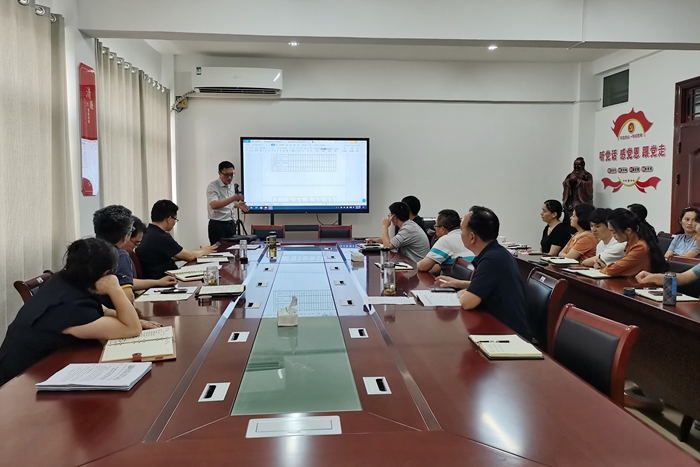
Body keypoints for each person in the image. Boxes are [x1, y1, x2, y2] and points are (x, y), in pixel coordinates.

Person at [0, 238, 144, 387]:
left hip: (36, 370)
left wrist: (132, 320)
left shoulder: (65, 280)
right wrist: (115, 288)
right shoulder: (71, 307)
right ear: (106, 274)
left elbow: (105, 310)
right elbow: (132, 329)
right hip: (16, 384)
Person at [435, 206, 532, 340]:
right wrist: (459, 283)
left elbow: (467, 302)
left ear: (472, 237)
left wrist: (462, 292)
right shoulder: (497, 253)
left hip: (509, 335)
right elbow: (488, 285)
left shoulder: (492, 260)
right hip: (499, 326)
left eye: (462, 230)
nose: (460, 234)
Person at [137, 200, 218, 279]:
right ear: (169, 219)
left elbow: (177, 254)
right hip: (165, 280)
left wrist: (198, 253)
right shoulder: (160, 237)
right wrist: (203, 251)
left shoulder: (147, 232)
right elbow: (188, 256)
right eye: (175, 219)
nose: (175, 222)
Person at [597, 208, 667, 277]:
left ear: (628, 231)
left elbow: (612, 270)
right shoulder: (630, 244)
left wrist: (607, 268)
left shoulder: (639, 247)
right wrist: (606, 267)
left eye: (614, 232)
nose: (613, 235)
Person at [93, 205, 136, 304]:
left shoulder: (83, 251)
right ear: (125, 237)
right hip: (109, 310)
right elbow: (128, 298)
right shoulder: (119, 255)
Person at [124, 216, 177, 291]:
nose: (136, 247)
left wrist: (159, 282)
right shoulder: (117, 256)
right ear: (125, 237)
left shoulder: (129, 255)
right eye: (135, 243)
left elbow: (129, 282)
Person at [417, 209, 474, 274]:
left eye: (435, 226)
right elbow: (438, 266)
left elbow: (422, 266)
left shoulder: (446, 240)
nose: (435, 230)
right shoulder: (468, 237)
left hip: (453, 279)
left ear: (442, 229)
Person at [207, 161, 249, 245]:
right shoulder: (213, 186)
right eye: (226, 175)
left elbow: (229, 203)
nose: (229, 177)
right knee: (219, 251)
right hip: (218, 225)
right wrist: (233, 198)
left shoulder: (231, 185)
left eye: (232, 174)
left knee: (233, 250)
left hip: (231, 224)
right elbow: (214, 205)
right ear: (219, 173)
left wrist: (237, 204)